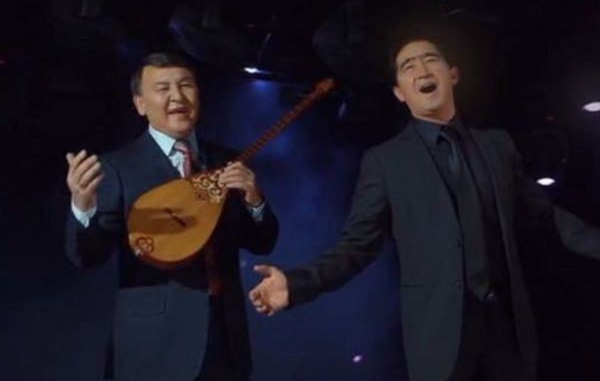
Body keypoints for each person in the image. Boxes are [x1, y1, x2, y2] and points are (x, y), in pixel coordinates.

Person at [249, 29, 600, 381]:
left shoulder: (497, 145)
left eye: (431, 59)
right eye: (409, 66)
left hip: (507, 334)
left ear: (453, 74)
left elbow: (547, 216)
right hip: (441, 339)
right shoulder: (386, 162)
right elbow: (357, 246)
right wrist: (297, 284)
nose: (422, 70)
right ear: (400, 93)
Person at [65, 52, 279, 381]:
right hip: (153, 345)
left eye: (185, 85)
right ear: (140, 104)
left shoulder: (227, 160)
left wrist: (254, 199)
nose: (177, 97)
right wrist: (82, 206)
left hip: (225, 336)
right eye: (163, 88)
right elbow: (88, 257)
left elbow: (263, 243)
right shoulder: (117, 167)